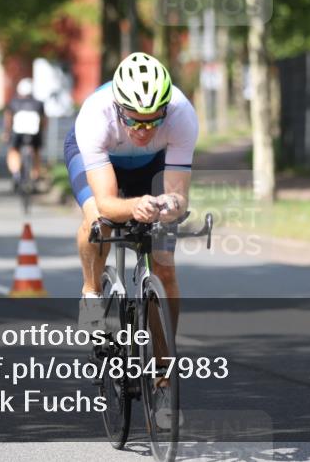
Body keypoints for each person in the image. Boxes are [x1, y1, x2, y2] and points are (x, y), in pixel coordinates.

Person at [66, 52, 197, 428]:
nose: (142, 131)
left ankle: (163, 373)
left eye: (153, 119)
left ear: (165, 110)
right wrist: (135, 204)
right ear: (118, 108)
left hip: (152, 165)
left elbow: (178, 195)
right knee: (99, 221)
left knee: (165, 269)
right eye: (134, 121)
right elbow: (107, 201)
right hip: (98, 158)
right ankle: (91, 293)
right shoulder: (95, 115)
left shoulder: (182, 115)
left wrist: (167, 204)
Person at [3, 78, 46, 190]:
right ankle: (35, 176)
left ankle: (16, 173)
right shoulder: (39, 104)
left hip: (18, 133)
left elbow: (8, 119)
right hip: (35, 134)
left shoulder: (14, 102)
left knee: (13, 151)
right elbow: (44, 121)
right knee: (36, 152)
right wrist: (42, 132)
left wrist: (6, 133)